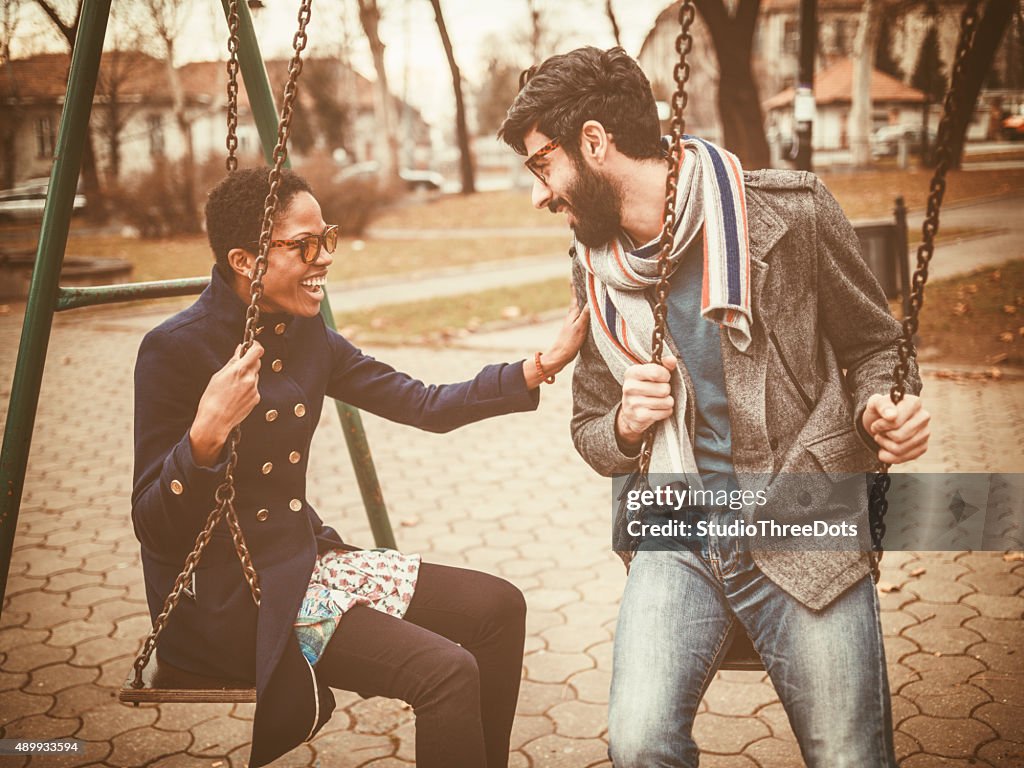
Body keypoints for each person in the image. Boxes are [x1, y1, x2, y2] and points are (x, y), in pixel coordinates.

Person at [498, 47, 931, 767]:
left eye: (542, 164)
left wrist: (881, 407)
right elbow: (590, 430)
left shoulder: (791, 213)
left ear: (596, 142)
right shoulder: (594, 265)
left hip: (801, 515)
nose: (539, 194)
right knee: (638, 746)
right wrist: (627, 424)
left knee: (850, 756)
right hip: (677, 532)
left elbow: (876, 349)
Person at [131, 167, 589, 768]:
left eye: (327, 238)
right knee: (446, 673)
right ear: (245, 261)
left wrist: (535, 366)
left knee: (499, 608)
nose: (323, 259)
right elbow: (153, 525)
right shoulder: (175, 348)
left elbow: (422, 402)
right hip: (237, 600)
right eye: (303, 246)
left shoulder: (306, 335)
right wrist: (206, 435)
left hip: (305, 565)